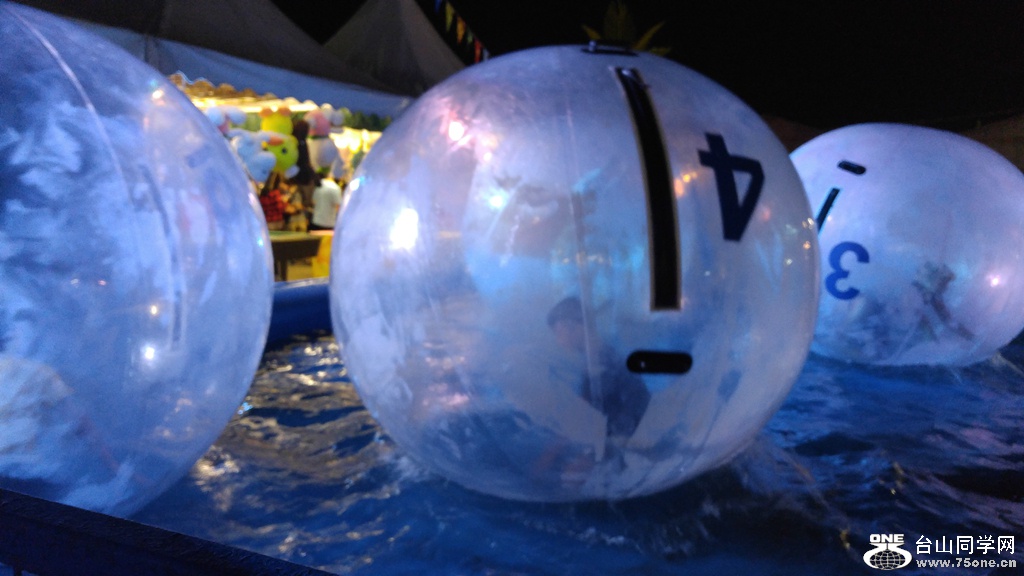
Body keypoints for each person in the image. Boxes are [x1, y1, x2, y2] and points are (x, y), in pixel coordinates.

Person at [545, 296, 650, 438]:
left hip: (624, 438)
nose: (558, 341)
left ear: (574, 327)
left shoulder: (603, 363)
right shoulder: (596, 358)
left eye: (558, 332)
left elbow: (639, 398)